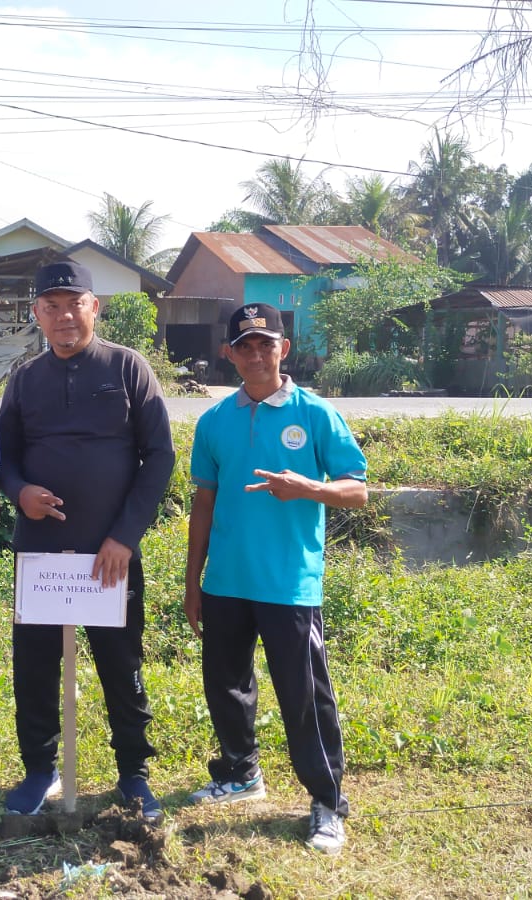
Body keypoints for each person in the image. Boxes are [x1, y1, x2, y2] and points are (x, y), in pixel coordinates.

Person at [182, 302, 368, 855]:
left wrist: (307, 488)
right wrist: (193, 582)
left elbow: (357, 489)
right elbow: (203, 505)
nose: (256, 354)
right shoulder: (215, 421)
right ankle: (241, 773)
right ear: (229, 354)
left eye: (266, 344)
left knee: (304, 696)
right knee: (226, 685)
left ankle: (327, 801)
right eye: (245, 346)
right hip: (225, 581)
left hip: (288, 582)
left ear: (284, 349)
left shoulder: (315, 413)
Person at [0, 259, 176, 819]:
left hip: (110, 557)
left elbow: (159, 457)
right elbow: (3, 459)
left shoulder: (128, 368)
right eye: (50, 307)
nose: (64, 316)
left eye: (74, 304)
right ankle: (39, 770)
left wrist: (125, 536)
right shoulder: (24, 379)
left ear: (94, 307)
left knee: (121, 665)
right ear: (37, 314)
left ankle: (134, 774)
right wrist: (20, 491)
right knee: (34, 667)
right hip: (41, 556)